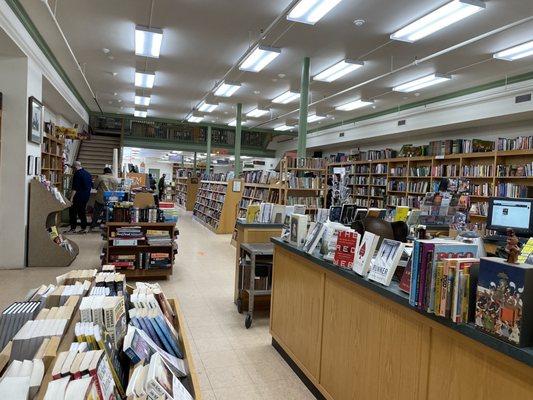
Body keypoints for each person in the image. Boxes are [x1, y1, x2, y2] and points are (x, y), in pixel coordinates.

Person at [89, 167, 119, 232]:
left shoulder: (100, 177)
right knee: (108, 212)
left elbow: (94, 186)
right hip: (111, 198)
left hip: (101, 198)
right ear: (110, 172)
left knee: (96, 212)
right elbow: (116, 188)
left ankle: (93, 226)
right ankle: (106, 226)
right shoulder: (115, 179)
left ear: (104, 172)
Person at [68, 161, 93, 233]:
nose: (73, 170)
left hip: (78, 196)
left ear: (75, 167)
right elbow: (91, 185)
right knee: (82, 211)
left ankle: (73, 228)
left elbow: (75, 187)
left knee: (73, 212)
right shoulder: (88, 174)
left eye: (73, 168)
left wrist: (71, 198)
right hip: (86, 196)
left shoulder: (77, 174)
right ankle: (83, 227)